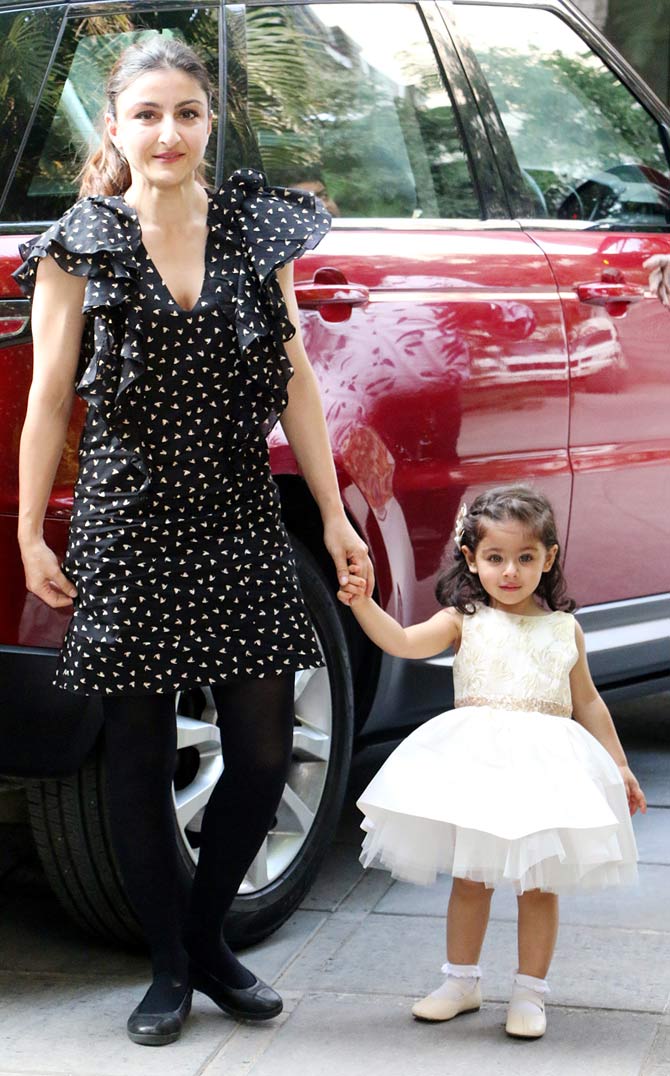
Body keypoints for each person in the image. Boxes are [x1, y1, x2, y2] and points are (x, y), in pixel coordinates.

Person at [14, 35, 373, 1047]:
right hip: (127, 515)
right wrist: (42, 532)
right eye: (145, 115)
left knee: (263, 749)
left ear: (209, 123)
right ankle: (173, 966)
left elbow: (297, 377)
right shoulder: (82, 241)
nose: (166, 133)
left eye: (185, 113)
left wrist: (338, 516)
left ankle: (206, 936)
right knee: (133, 753)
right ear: (116, 127)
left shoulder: (258, 228)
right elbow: (46, 403)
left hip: (237, 509)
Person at [337, 484, 645, 1040]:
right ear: (472, 559)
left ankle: (530, 992)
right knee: (471, 879)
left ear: (548, 558)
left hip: (544, 772)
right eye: (495, 558)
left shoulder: (563, 629)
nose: (510, 571)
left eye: (525, 558)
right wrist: (362, 603)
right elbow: (404, 641)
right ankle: (461, 982)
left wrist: (618, 764)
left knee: (538, 884)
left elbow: (588, 702)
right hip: (479, 769)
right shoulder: (465, 620)